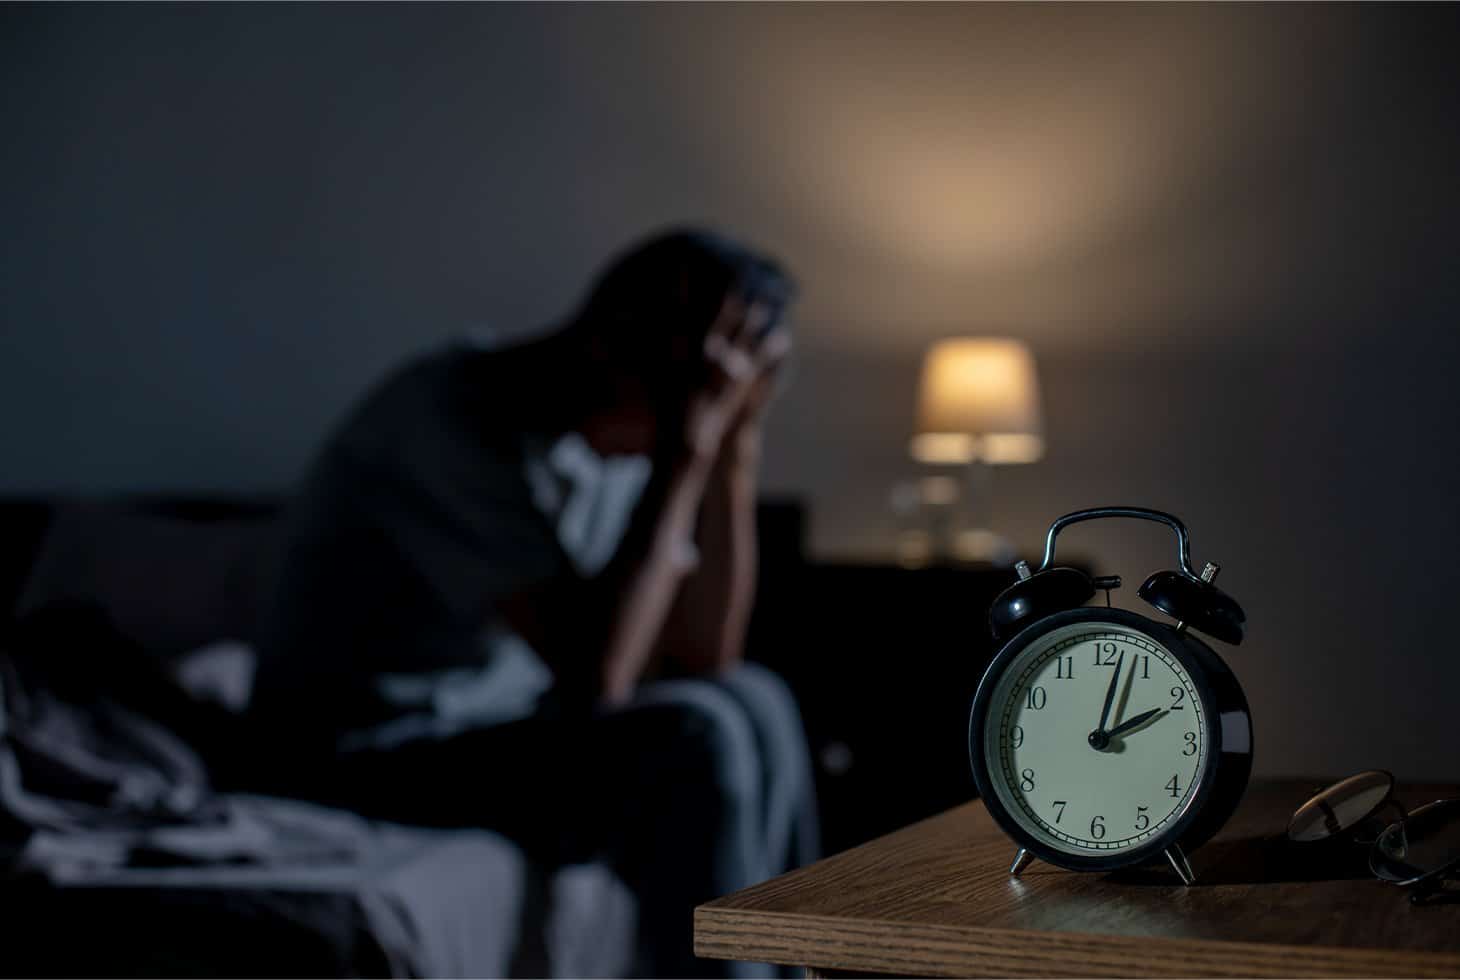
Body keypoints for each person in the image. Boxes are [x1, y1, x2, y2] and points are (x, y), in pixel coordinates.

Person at [249, 228, 818, 977]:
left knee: (755, 697)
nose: (715, 407)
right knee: (696, 737)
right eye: (711, 387)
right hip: (358, 754)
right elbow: (597, 681)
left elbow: (703, 656)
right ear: (624, 348)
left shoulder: (612, 439)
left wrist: (735, 452)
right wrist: (688, 453)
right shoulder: (444, 420)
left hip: (492, 730)